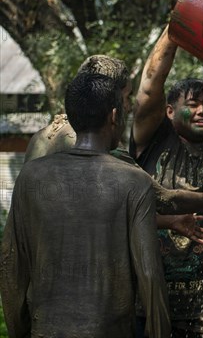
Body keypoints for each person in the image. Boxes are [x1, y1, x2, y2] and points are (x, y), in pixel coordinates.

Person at [0, 72, 171, 337]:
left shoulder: (31, 177)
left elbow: (11, 266)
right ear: (114, 116)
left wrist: (19, 332)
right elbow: (149, 273)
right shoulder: (134, 182)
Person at [24, 55, 203, 239]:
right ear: (107, 93)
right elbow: (164, 200)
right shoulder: (97, 141)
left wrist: (169, 222)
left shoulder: (41, 136)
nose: (130, 107)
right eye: (127, 97)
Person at [130, 26, 203, 337]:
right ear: (169, 110)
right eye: (193, 104)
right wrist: (177, 28)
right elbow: (151, 85)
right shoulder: (150, 144)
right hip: (153, 307)